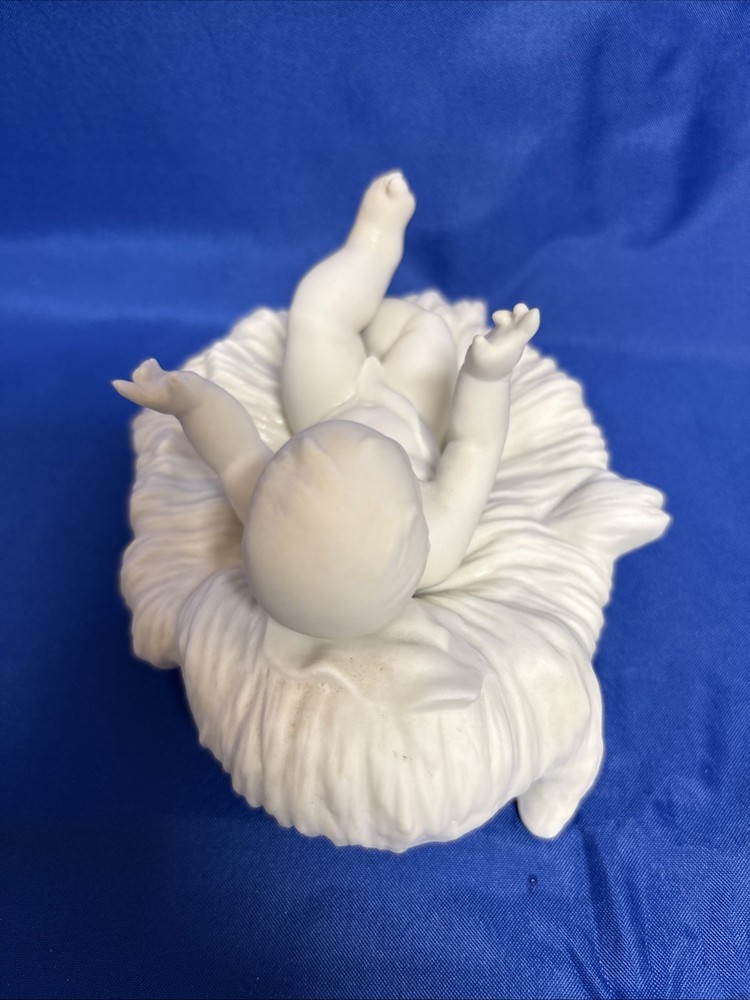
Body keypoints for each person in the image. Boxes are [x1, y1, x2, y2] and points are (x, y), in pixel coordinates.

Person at [114, 172, 539, 639]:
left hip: (326, 405)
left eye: (298, 457)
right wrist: (487, 375)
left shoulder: (275, 507)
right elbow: (474, 445)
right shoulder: (439, 540)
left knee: (316, 312)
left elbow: (234, 454)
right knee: (427, 331)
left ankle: (371, 244)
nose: (285, 459)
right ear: (410, 529)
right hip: (411, 409)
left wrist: (188, 400)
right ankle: (385, 313)